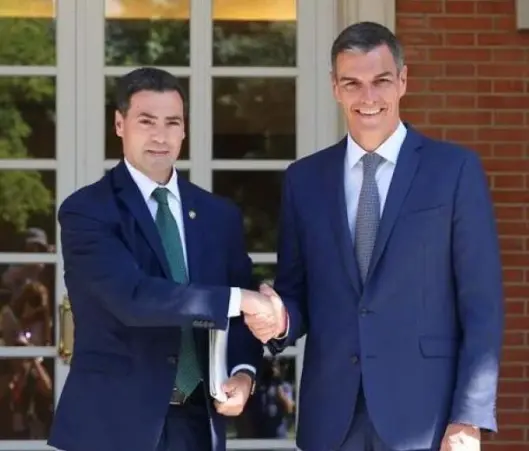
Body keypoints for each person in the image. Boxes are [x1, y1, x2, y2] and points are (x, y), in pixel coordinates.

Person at [265, 21, 505, 451]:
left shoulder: (453, 171)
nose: (368, 97)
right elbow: (296, 292)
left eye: (381, 81)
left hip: (424, 416)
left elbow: (481, 304)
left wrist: (469, 414)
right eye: (352, 84)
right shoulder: (304, 180)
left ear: (403, 81)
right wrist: (279, 318)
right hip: (332, 416)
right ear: (335, 88)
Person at [47, 67, 284, 451]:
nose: (161, 136)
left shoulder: (218, 215)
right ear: (120, 124)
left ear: (184, 130)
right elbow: (133, 298)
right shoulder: (87, 211)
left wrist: (243, 374)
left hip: (198, 425)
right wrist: (240, 300)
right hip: (112, 427)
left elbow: (240, 322)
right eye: (146, 121)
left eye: (172, 122)